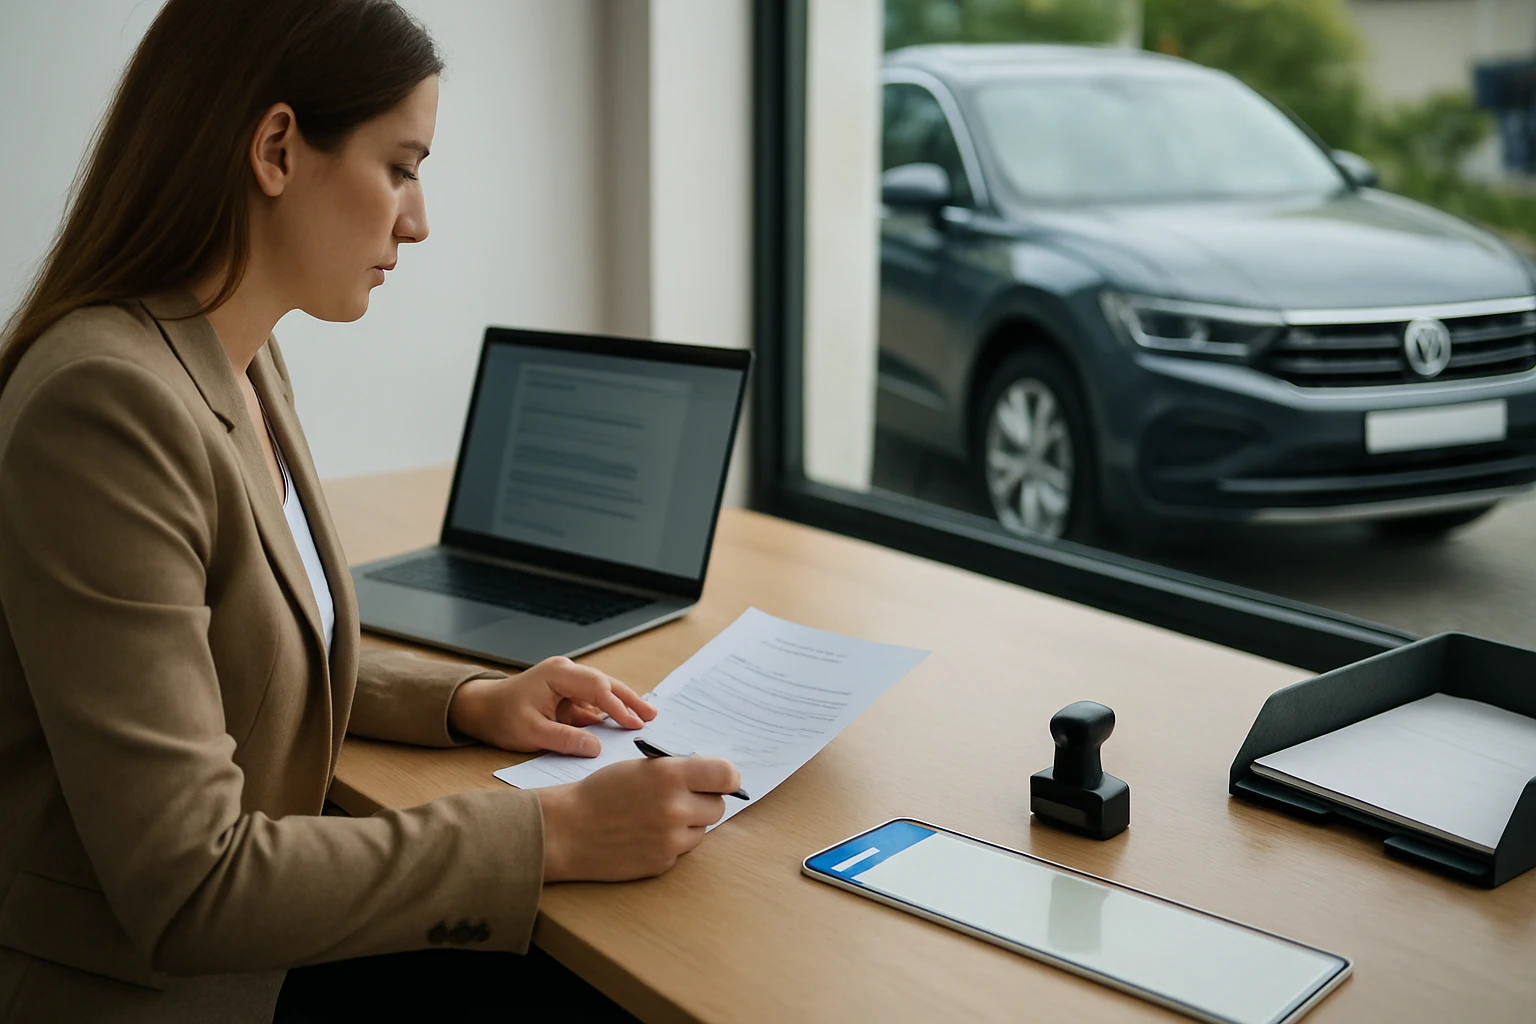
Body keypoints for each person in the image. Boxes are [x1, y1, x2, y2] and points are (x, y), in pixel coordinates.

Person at [0, 2, 741, 1021]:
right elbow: (192, 884)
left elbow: (243, 644)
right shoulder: (106, 405)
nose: (418, 218)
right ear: (276, 148)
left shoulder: (241, 356)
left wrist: (469, 700)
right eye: (401, 166)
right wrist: (559, 833)